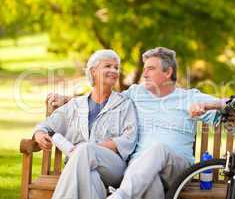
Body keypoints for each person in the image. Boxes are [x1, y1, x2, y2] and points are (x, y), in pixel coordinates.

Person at [49, 47, 225, 199]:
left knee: (159, 149)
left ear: (168, 72)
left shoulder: (189, 97)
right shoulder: (135, 94)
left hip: (176, 170)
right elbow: (103, 99)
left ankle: (120, 196)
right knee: (151, 183)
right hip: (139, 171)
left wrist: (207, 105)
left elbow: (233, 106)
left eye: (150, 69)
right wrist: (68, 99)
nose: (144, 74)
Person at [33, 49, 138, 199]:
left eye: (116, 67)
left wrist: (89, 149)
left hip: (113, 168)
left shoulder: (124, 104)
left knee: (85, 149)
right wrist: (39, 133)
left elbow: (128, 139)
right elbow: (46, 125)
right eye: (108, 66)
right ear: (93, 71)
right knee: (91, 177)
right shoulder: (75, 105)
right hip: (81, 169)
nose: (114, 70)